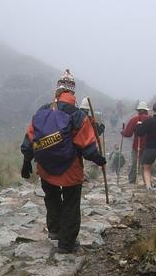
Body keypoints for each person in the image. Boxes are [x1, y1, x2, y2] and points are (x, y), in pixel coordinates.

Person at [20, 70, 106, 254]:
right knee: (71, 203)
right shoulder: (78, 115)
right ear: (73, 93)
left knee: (51, 197)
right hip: (70, 168)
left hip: (44, 166)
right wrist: (99, 160)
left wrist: (26, 161)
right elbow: (87, 147)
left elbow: (30, 138)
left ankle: (54, 230)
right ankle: (66, 244)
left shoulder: (43, 111)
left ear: (57, 90)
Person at [121, 101, 149, 183]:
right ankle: (147, 181)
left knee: (135, 163)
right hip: (148, 146)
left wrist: (122, 132)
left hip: (137, 146)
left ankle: (132, 179)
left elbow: (128, 134)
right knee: (146, 164)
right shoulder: (150, 119)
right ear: (146, 110)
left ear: (138, 110)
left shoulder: (134, 119)